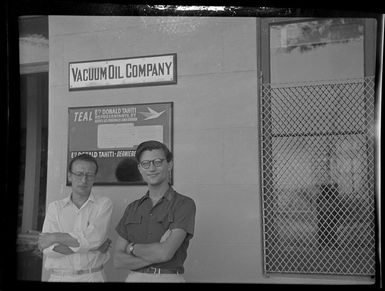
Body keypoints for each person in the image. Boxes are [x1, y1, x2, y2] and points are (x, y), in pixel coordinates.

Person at [113, 140, 196, 282]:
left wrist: (131, 248)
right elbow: (118, 260)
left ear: (169, 165)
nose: (151, 168)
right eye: (146, 163)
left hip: (167, 278)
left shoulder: (184, 204)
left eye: (157, 162)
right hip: (134, 278)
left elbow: (165, 253)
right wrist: (156, 254)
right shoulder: (132, 208)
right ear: (140, 168)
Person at [38, 154, 113, 282]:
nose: (84, 180)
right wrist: (93, 247)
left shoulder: (104, 204)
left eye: (89, 175)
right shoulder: (55, 207)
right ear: (70, 176)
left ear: (94, 177)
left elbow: (96, 239)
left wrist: (54, 237)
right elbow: (48, 250)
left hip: (93, 276)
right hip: (59, 277)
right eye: (79, 174)